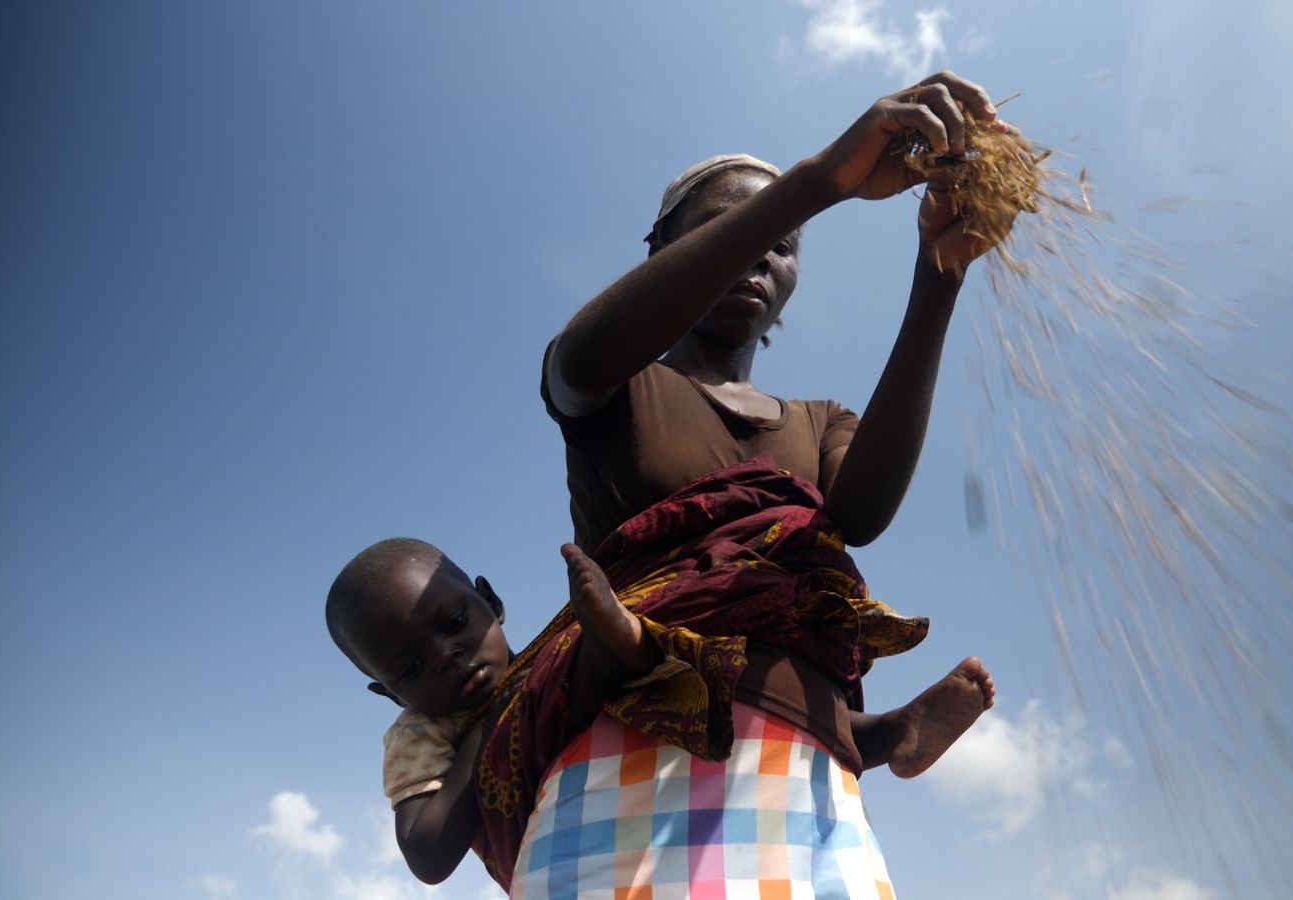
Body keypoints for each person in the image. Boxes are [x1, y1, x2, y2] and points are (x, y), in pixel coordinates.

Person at [522, 71, 1017, 898]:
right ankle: (886, 731)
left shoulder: (817, 420)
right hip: (629, 744)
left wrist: (940, 276)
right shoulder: (618, 381)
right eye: (735, 229)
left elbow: (860, 517)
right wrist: (820, 182)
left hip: (801, 760)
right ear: (665, 254)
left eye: (783, 246)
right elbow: (573, 367)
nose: (761, 252)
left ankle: (879, 733)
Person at [325, 536, 996, 888]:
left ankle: (887, 735)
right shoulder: (418, 734)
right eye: (409, 669)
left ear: (490, 600)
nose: (444, 658)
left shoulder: (547, 657)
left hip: (661, 792)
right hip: (559, 843)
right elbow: (427, 853)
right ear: (387, 695)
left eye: (452, 623)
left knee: (704, 670)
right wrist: (490, 729)